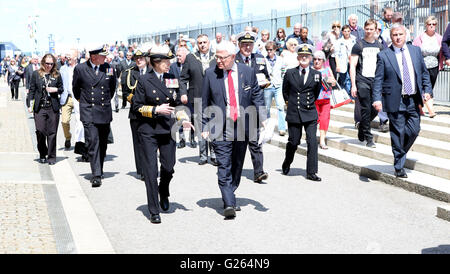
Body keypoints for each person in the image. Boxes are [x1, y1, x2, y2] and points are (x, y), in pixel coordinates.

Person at [201, 41, 266, 219]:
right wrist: (205, 125)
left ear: (233, 57)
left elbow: (256, 95)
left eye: (222, 58)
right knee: (224, 164)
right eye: (217, 57)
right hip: (220, 126)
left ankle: (230, 191)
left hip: (242, 125)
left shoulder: (247, 72)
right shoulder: (210, 74)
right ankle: (229, 203)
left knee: (237, 164)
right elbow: (204, 101)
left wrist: (262, 118)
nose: (219, 61)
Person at [133, 45, 193, 224]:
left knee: (168, 166)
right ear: (155, 62)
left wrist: (183, 119)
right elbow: (136, 107)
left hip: (167, 129)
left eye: (169, 60)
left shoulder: (171, 79)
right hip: (149, 130)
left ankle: (163, 190)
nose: (169, 64)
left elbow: (176, 104)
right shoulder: (143, 80)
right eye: (166, 61)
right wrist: (155, 109)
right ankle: (153, 210)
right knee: (151, 171)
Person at [373, 24, 432, 178]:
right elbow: (378, 80)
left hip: (413, 99)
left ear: (406, 35)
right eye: (394, 35)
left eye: (400, 34)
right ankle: (399, 166)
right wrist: (377, 99)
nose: (398, 37)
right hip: (395, 100)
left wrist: (427, 91)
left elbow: (424, 73)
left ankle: (399, 153)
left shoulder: (415, 51)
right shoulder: (384, 55)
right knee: (397, 133)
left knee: (414, 130)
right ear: (390, 37)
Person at [73, 45, 117, 188]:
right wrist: (85, 103)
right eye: (103, 56)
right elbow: (76, 89)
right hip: (89, 111)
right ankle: (96, 174)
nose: (105, 58)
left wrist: (103, 101)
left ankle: (100, 168)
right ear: (93, 57)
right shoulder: (80, 69)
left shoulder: (108, 68)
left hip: (104, 110)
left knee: (103, 143)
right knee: (92, 142)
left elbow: (112, 87)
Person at [282, 44, 322, 182]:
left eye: (307, 56)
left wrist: (308, 103)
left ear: (310, 58)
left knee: (312, 141)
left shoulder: (317, 75)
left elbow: (316, 93)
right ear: (298, 57)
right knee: (294, 141)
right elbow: (285, 92)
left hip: (310, 112)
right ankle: (287, 162)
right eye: (301, 55)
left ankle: (311, 172)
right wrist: (291, 103)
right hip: (294, 112)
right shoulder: (289, 73)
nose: (304, 58)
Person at [234, 31, 270, 183]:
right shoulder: (233, 60)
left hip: (255, 105)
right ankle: (233, 171)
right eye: (244, 44)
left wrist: (265, 82)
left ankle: (258, 171)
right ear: (239, 45)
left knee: (255, 141)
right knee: (237, 142)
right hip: (239, 106)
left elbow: (266, 77)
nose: (247, 47)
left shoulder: (260, 59)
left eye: (250, 44)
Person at [180, 34, 217, 165]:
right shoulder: (190, 58)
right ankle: (202, 155)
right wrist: (183, 93)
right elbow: (183, 78)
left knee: (213, 126)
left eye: (205, 42)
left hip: (213, 97)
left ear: (209, 43)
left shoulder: (216, 57)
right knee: (201, 126)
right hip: (197, 96)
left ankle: (213, 154)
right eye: (200, 42)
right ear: (197, 44)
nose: (202, 45)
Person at [350, 19, 384, 148]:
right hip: (362, 80)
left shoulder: (379, 46)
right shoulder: (358, 45)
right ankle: (369, 138)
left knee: (376, 109)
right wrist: (353, 84)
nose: (369, 31)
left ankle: (362, 126)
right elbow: (352, 66)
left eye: (371, 29)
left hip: (375, 81)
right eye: (367, 29)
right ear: (364, 29)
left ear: (376, 30)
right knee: (365, 108)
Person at [28, 53, 64, 165]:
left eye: (51, 63)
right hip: (40, 107)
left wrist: (55, 89)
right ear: (43, 62)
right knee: (40, 131)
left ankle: (51, 157)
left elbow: (62, 88)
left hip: (52, 107)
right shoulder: (36, 74)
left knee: (52, 133)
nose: (49, 65)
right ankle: (42, 153)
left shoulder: (57, 74)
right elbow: (32, 90)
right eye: (47, 63)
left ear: (54, 64)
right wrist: (30, 105)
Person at [123, 49, 150, 181]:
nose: (139, 60)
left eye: (141, 58)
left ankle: (150, 167)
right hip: (136, 113)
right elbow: (125, 92)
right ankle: (142, 170)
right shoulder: (130, 73)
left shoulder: (152, 71)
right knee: (138, 143)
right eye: (136, 58)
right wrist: (136, 101)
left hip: (151, 112)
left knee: (150, 143)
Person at [413, 15, 445, 118]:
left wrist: (443, 61)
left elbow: (443, 51)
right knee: (424, 87)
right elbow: (414, 50)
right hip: (422, 66)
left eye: (434, 24)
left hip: (434, 66)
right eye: (429, 24)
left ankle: (420, 106)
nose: (431, 26)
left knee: (430, 86)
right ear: (426, 25)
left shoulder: (439, 38)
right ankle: (430, 110)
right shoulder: (420, 37)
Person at [313, 50, 336, 149]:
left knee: (324, 120)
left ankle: (322, 141)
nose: (317, 61)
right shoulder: (310, 70)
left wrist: (330, 80)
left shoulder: (327, 69)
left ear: (323, 61)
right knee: (314, 120)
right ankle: (312, 138)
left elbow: (334, 82)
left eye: (319, 59)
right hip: (314, 99)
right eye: (315, 59)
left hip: (325, 99)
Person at [169, 47, 191, 148]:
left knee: (192, 116)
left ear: (185, 55)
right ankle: (182, 138)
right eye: (177, 56)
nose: (178, 58)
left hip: (190, 94)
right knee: (180, 118)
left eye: (180, 56)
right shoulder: (173, 66)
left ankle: (192, 137)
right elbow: (170, 80)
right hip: (178, 95)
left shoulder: (190, 64)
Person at [264, 41, 286, 136]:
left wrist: (282, 81)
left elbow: (284, 71)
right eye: (267, 50)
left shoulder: (280, 59)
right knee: (266, 108)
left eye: (271, 50)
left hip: (278, 85)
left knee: (280, 106)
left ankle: (282, 128)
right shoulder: (264, 60)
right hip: (268, 86)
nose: (269, 52)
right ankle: (267, 127)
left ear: (275, 50)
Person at [60, 50, 78, 149]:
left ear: (75, 57)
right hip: (66, 98)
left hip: (78, 98)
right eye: (66, 56)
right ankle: (68, 137)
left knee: (80, 121)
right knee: (64, 121)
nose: (67, 58)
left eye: (69, 56)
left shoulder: (81, 68)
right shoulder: (62, 68)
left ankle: (79, 141)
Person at [335, 25, 356, 99]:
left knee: (351, 78)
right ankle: (347, 96)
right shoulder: (339, 42)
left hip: (352, 62)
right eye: (345, 31)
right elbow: (336, 54)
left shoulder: (353, 40)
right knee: (345, 79)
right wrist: (337, 65)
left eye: (348, 31)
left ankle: (351, 96)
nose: (347, 33)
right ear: (342, 32)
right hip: (342, 63)